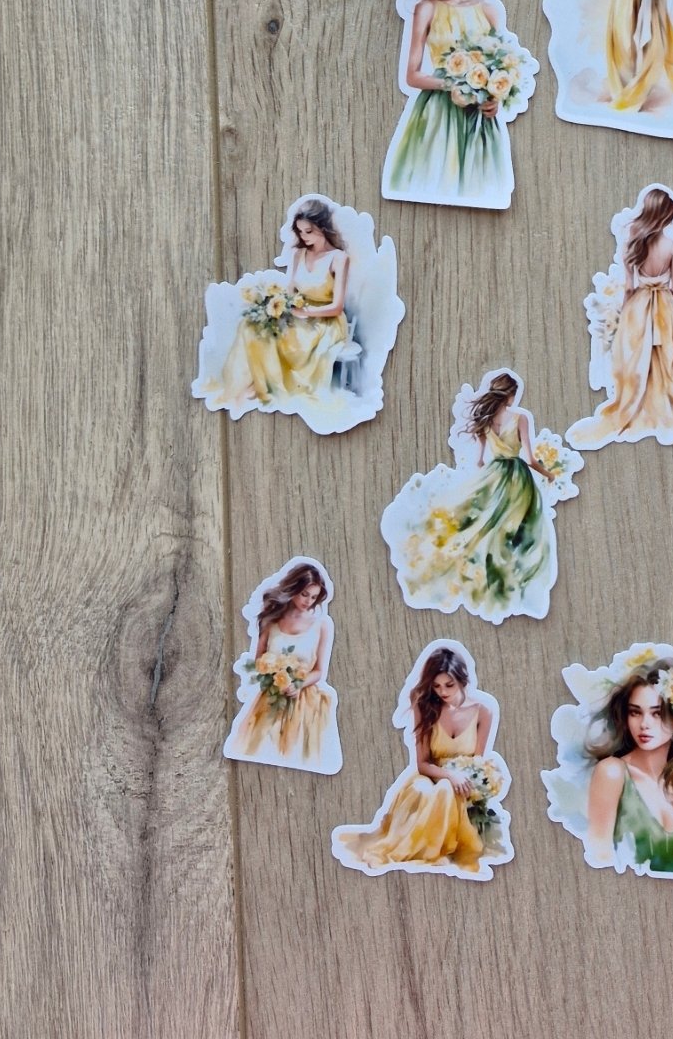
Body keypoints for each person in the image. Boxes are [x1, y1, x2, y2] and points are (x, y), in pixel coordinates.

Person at [398, 372, 556, 622]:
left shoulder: (486, 420)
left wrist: (487, 478)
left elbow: (480, 461)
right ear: (511, 394)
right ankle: (511, 580)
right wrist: (549, 474)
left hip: (494, 473)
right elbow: (530, 459)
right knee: (519, 527)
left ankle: (483, 573)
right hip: (517, 478)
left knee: (484, 524)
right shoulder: (520, 418)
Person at [332, 648, 497, 875]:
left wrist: (466, 781)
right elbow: (422, 763)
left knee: (447, 790)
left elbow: (477, 763)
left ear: (462, 680)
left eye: (449, 685)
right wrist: (449, 774)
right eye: (436, 686)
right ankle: (407, 850)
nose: (442, 692)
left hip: (460, 786)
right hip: (429, 775)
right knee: (426, 789)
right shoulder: (426, 706)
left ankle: (437, 849)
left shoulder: (483, 712)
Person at [382, 0, 513, 206]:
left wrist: (494, 99)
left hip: (477, 113)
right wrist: (456, 84)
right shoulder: (428, 8)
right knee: (436, 174)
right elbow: (412, 76)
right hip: (438, 112)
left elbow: (499, 65)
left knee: (479, 184)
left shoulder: (489, 10)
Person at [568, 188, 673, 449]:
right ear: (667, 216)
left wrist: (625, 314)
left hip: (638, 307)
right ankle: (662, 406)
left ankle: (636, 405)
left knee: (637, 359)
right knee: (663, 360)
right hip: (665, 307)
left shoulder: (633, 241)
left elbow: (629, 287)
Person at [215, 198, 351, 411]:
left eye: (309, 231)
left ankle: (270, 387)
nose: (304, 237)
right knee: (251, 327)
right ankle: (257, 384)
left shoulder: (339, 258)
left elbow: (337, 307)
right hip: (298, 313)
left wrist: (307, 312)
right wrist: (275, 307)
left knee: (280, 338)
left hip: (326, 321)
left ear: (323, 228)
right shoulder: (299, 254)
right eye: (300, 232)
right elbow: (290, 292)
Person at [584, 662, 673, 877]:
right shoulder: (612, 772)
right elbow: (598, 855)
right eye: (635, 712)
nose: (644, 724)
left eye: (657, 713)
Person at [225, 560, 339, 770]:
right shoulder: (271, 621)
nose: (308, 601)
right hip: (273, 696)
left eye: (313, 597)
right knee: (260, 745)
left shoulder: (322, 625)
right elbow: (259, 660)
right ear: (293, 589)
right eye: (304, 594)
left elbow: (319, 671)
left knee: (300, 751)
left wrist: (298, 684)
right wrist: (275, 672)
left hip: (304, 700)